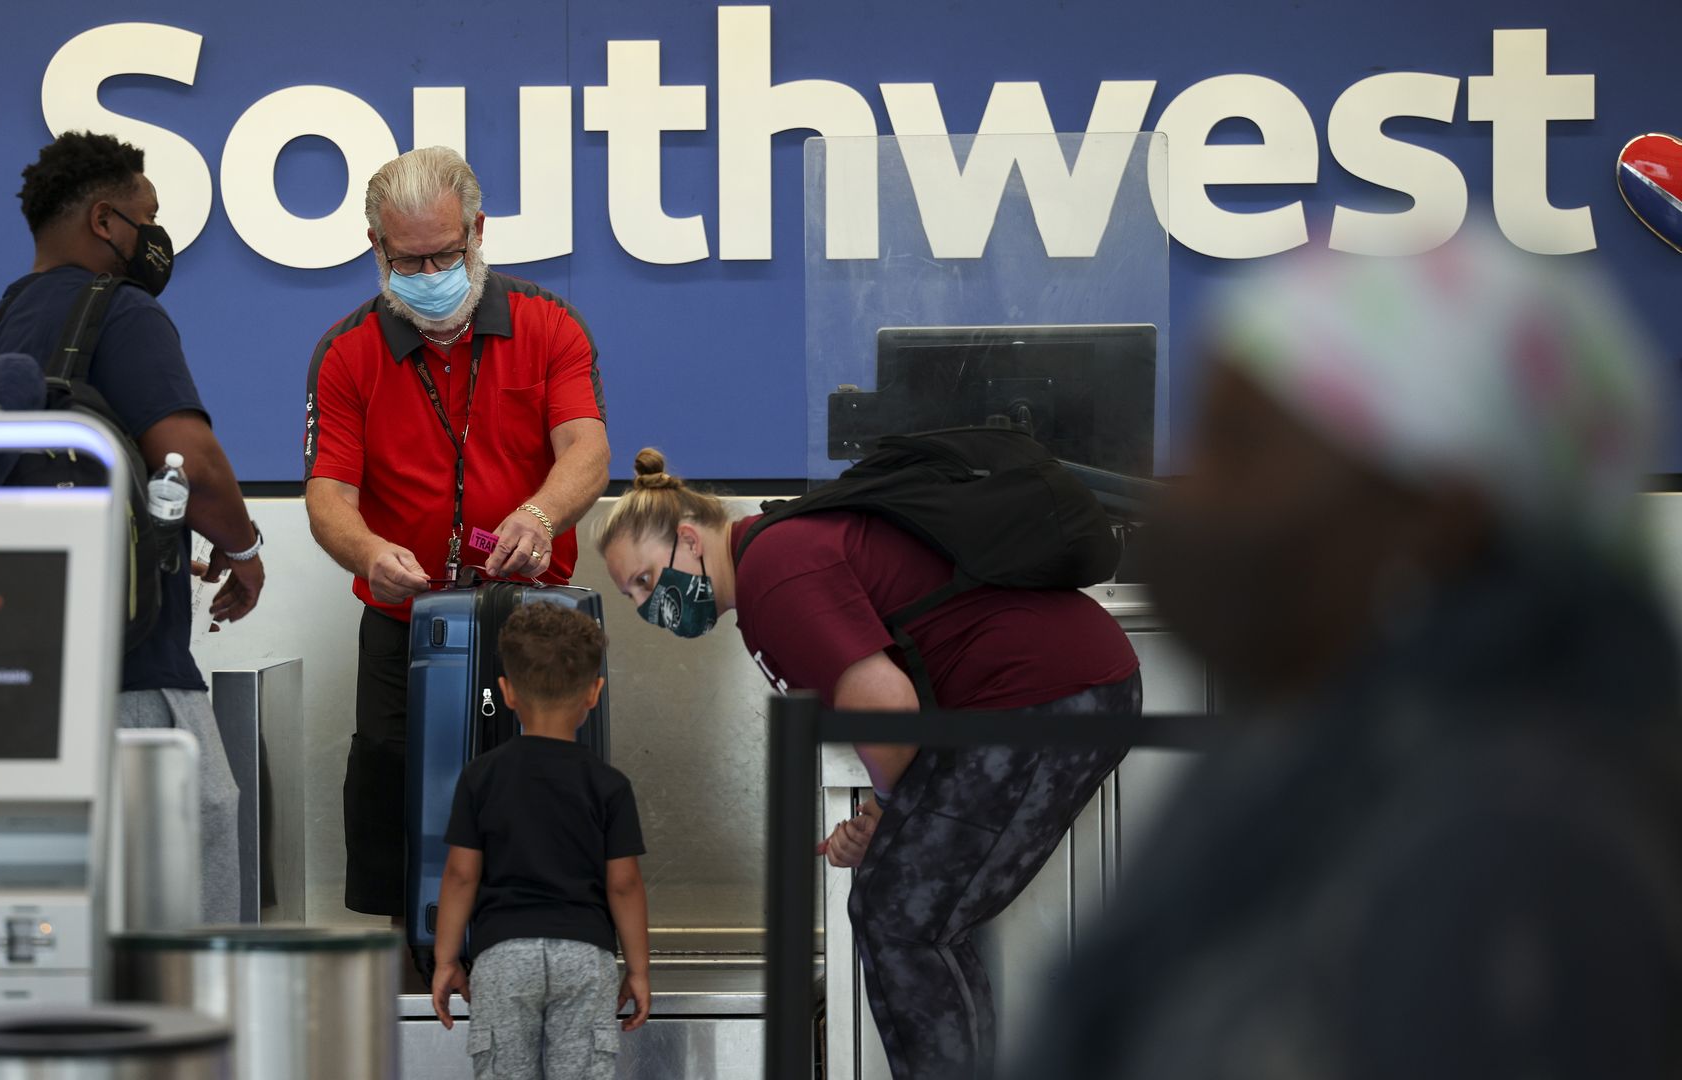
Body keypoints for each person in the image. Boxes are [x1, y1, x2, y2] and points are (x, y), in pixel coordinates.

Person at [1028, 237, 1682, 1079]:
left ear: (1436, 514)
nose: (1180, 488)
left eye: (1239, 446)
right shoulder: (1307, 752)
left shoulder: (1512, 850)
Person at [597, 450, 1142, 1078]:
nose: (646, 606)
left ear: (689, 540)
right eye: (632, 596)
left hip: (1048, 695)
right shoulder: (775, 554)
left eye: (644, 580)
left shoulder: (773, 574)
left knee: (900, 914)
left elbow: (885, 705)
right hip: (1049, 693)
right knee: (912, 914)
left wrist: (885, 812)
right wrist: (889, 814)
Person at [0, 131, 264, 923]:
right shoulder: (118, 311)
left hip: (9, 693)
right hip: (134, 682)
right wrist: (245, 549)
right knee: (183, 934)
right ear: (105, 221)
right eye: (147, 217)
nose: (155, 238)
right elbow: (191, 463)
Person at [304, 146, 611, 920]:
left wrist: (540, 515)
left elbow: (587, 448)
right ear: (377, 249)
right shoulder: (346, 353)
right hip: (406, 625)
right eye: (410, 259)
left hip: (537, 618)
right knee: (399, 815)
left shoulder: (550, 325)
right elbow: (329, 495)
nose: (431, 270)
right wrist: (368, 551)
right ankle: (417, 993)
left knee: (548, 816)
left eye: (446, 251)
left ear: (480, 232)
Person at [429, 603, 650, 1078]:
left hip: (503, 957)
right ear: (594, 693)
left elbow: (461, 874)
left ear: (507, 693)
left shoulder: (480, 776)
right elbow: (625, 884)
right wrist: (638, 969)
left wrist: (445, 958)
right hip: (583, 957)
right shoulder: (609, 784)